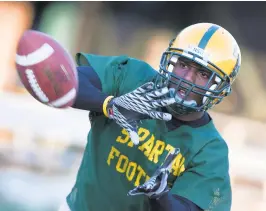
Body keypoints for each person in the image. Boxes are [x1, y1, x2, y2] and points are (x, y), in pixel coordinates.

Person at [62, 22, 241, 211]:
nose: (187, 78)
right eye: (183, 64)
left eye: (203, 73)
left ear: (220, 88)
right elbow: (66, 80)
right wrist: (110, 105)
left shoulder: (210, 150)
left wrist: (161, 196)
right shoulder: (133, 78)